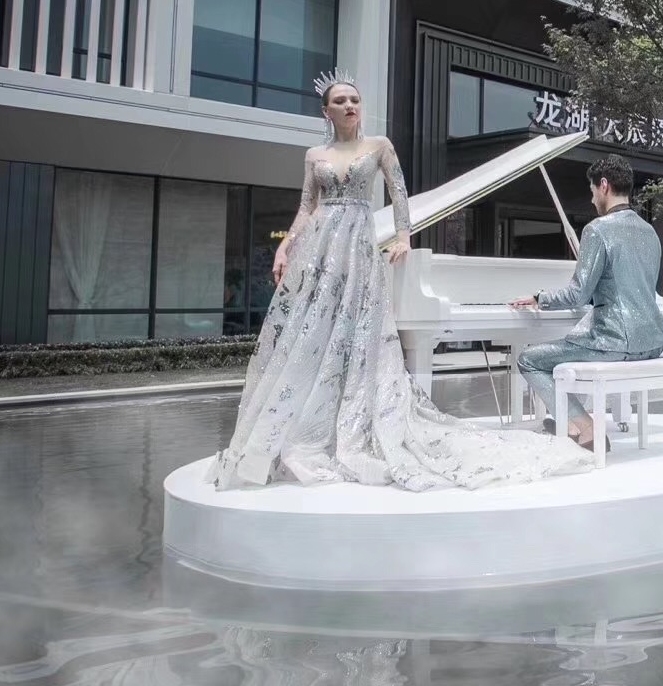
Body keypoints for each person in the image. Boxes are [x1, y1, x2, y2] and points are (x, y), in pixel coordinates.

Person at [208, 70, 591, 491]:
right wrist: (285, 246)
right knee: (313, 335)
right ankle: (309, 429)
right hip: (322, 247)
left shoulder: (379, 146)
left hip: (359, 242)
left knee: (358, 336)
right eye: (340, 101)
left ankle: (361, 424)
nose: (350, 106)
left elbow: (399, 193)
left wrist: (404, 237)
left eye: (355, 99)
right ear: (326, 111)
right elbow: (306, 206)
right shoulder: (314, 154)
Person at [511, 154, 663, 449]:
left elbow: (578, 294)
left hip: (616, 342)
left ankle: (586, 428)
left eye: (593, 190)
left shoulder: (597, 229)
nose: (592, 198)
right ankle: (568, 424)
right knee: (575, 343)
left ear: (604, 185)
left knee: (529, 359)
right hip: (653, 340)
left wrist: (538, 298)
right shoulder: (650, 232)